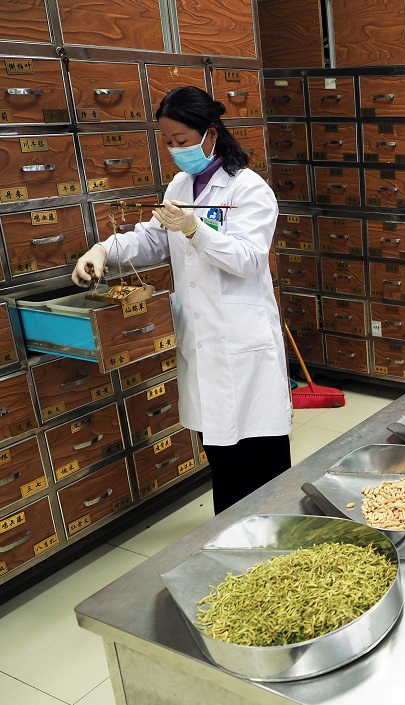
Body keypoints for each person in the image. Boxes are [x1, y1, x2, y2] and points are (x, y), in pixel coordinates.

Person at [71, 86, 292, 515]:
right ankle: (230, 544)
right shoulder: (181, 182)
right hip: (204, 343)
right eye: (169, 143)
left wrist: (196, 229)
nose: (176, 150)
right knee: (224, 465)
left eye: (183, 141)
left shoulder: (249, 189)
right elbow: (154, 239)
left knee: (261, 465)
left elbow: (247, 259)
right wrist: (104, 250)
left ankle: (276, 545)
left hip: (245, 347)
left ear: (210, 133)